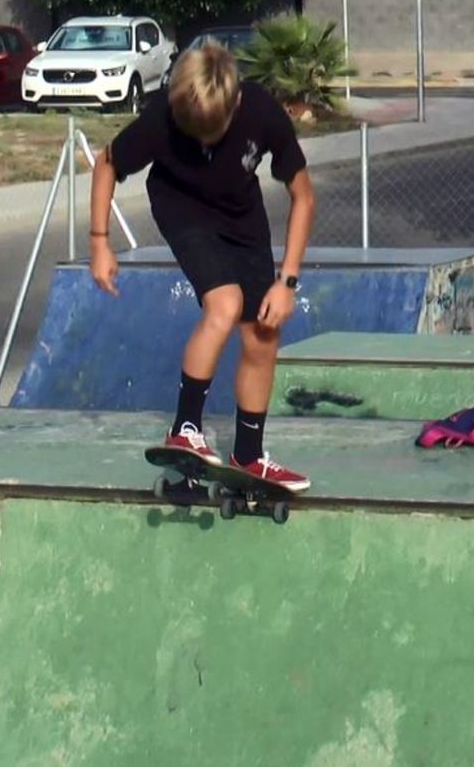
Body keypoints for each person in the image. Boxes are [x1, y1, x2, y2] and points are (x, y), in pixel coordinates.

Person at [88, 42, 315, 491]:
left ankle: (249, 456)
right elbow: (106, 165)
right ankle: (184, 429)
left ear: (235, 103)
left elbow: (303, 195)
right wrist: (100, 244)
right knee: (225, 304)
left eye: (214, 131)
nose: (204, 142)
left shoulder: (263, 113)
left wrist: (287, 280)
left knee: (263, 332)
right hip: (180, 206)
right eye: (196, 133)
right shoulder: (163, 117)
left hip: (240, 214)